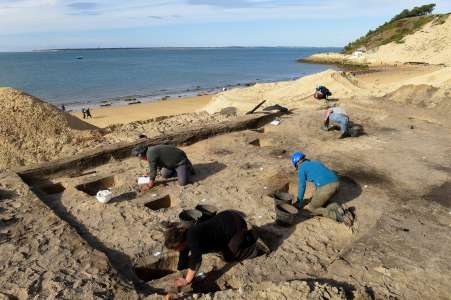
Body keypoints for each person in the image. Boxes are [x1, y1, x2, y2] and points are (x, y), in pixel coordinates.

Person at [164, 210, 269, 288]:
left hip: (236, 225)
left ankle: (255, 244)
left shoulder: (192, 239)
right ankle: (243, 238)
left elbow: (196, 260)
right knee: (222, 248)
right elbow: (183, 254)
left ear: (181, 242)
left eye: (176, 248)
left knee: (230, 256)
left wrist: (186, 281)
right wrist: (180, 270)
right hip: (227, 216)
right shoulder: (185, 236)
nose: (176, 251)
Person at [291, 152, 345, 222]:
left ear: (298, 162)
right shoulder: (315, 162)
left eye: (296, 166)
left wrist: (299, 202)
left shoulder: (301, 169)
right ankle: (337, 207)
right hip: (337, 183)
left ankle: (337, 216)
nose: (297, 167)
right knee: (320, 201)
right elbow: (320, 177)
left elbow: (302, 186)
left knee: (312, 208)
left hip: (327, 187)